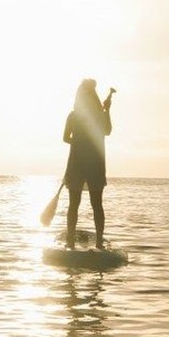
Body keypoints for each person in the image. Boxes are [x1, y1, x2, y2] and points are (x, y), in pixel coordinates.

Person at [62, 79, 113, 250]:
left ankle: (73, 242)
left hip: (83, 164)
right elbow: (107, 131)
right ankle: (94, 242)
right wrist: (106, 111)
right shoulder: (92, 115)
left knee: (79, 204)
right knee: (92, 204)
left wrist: (107, 110)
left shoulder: (77, 115)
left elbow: (66, 138)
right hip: (88, 164)